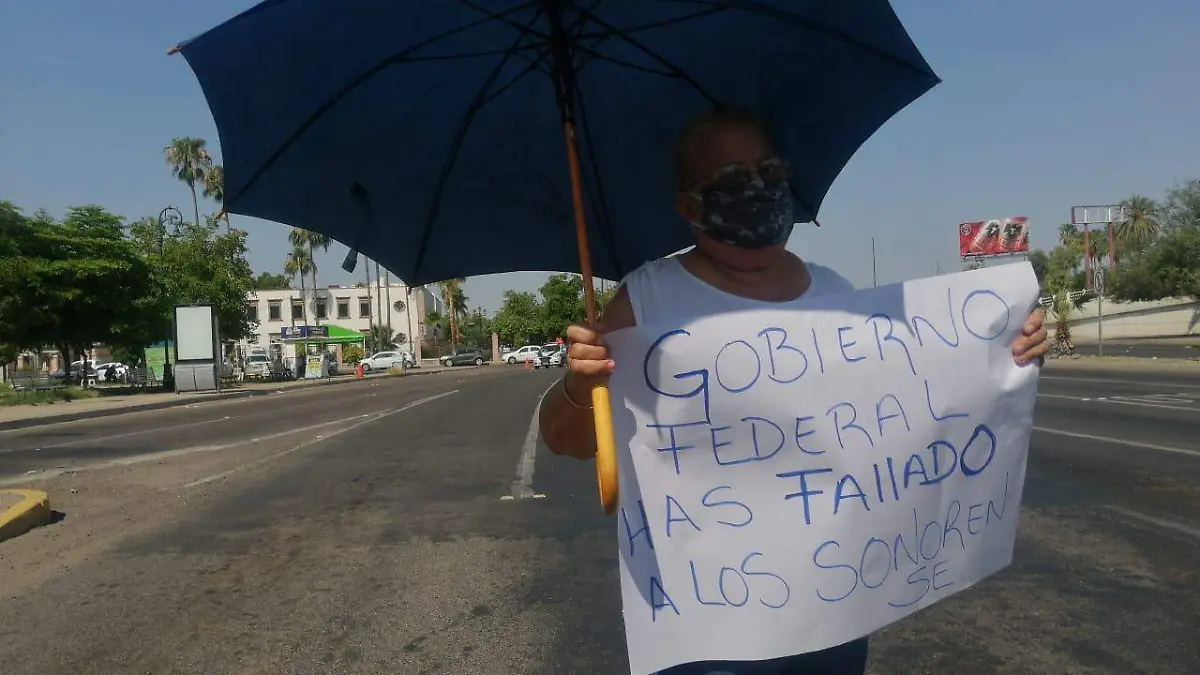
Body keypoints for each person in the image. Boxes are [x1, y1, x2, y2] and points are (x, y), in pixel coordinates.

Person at [539, 105, 1049, 675]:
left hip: (832, 608)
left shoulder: (835, 294)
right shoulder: (647, 301)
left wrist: (1004, 345)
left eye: (770, 171)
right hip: (708, 629)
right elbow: (568, 441)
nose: (756, 189)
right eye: (731, 181)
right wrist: (582, 386)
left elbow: (918, 409)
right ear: (688, 206)